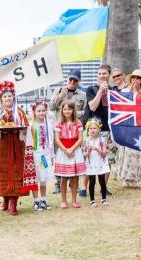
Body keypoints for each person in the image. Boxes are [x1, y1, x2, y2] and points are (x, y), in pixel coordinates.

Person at [0, 80, 37, 216]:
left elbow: (26, 128)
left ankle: (14, 203)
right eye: (5, 96)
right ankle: (5, 200)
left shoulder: (19, 112)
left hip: (17, 146)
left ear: (14, 97)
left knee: (16, 172)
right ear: (1, 98)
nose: (7, 98)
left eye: (10, 96)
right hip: (2, 146)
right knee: (1, 171)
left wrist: (24, 133)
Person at [49, 68, 87, 194]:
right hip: (59, 131)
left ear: (79, 81)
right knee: (59, 156)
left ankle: (73, 183)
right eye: (70, 79)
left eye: (75, 80)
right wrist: (60, 96)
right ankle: (58, 183)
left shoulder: (82, 95)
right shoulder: (58, 91)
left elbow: (86, 112)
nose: (72, 81)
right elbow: (51, 107)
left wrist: (73, 114)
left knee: (74, 157)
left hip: (74, 131)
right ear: (67, 78)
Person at [115, 70, 141, 188]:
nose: (135, 80)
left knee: (138, 151)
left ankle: (137, 178)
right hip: (127, 124)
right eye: (133, 77)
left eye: (138, 78)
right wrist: (130, 92)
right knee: (126, 151)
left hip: (139, 124)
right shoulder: (125, 90)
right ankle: (125, 177)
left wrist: (137, 92)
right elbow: (123, 105)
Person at [83, 65, 113, 197]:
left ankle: (103, 186)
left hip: (108, 128)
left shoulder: (113, 91)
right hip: (94, 128)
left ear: (109, 75)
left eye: (104, 73)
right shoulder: (91, 89)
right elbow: (93, 106)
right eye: (99, 73)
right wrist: (101, 90)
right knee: (90, 156)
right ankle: (84, 187)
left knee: (106, 158)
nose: (102, 76)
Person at [54, 100, 85, 209]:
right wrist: (66, 150)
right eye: (65, 109)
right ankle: (63, 201)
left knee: (74, 177)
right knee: (64, 177)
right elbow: (57, 139)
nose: (67, 111)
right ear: (62, 110)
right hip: (63, 151)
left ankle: (74, 200)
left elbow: (80, 138)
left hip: (75, 150)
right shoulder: (59, 123)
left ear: (73, 110)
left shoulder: (78, 123)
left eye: (69, 109)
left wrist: (72, 149)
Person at [29, 101, 54, 211]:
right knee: (35, 178)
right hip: (36, 154)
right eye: (39, 111)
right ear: (34, 112)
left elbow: (51, 141)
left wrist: (52, 156)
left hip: (45, 154)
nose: (41, 113)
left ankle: (43, 200)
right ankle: (36, 201)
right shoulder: (31, 126)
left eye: (43, 110)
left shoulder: (48, 124)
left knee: (43, 177)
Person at [83, 118, 109, 207]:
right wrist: (86, 154)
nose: (92, 130)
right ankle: (92, 200)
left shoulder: (102, 140)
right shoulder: (87, 140)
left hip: (100, 162)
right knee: (92, 181)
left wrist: (97, 149)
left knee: (102, 180)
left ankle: (103, 198)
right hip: (91, 162)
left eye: (94, 128)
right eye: (90, 128)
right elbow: (85, 151)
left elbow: (104, 153)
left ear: (99, 129)